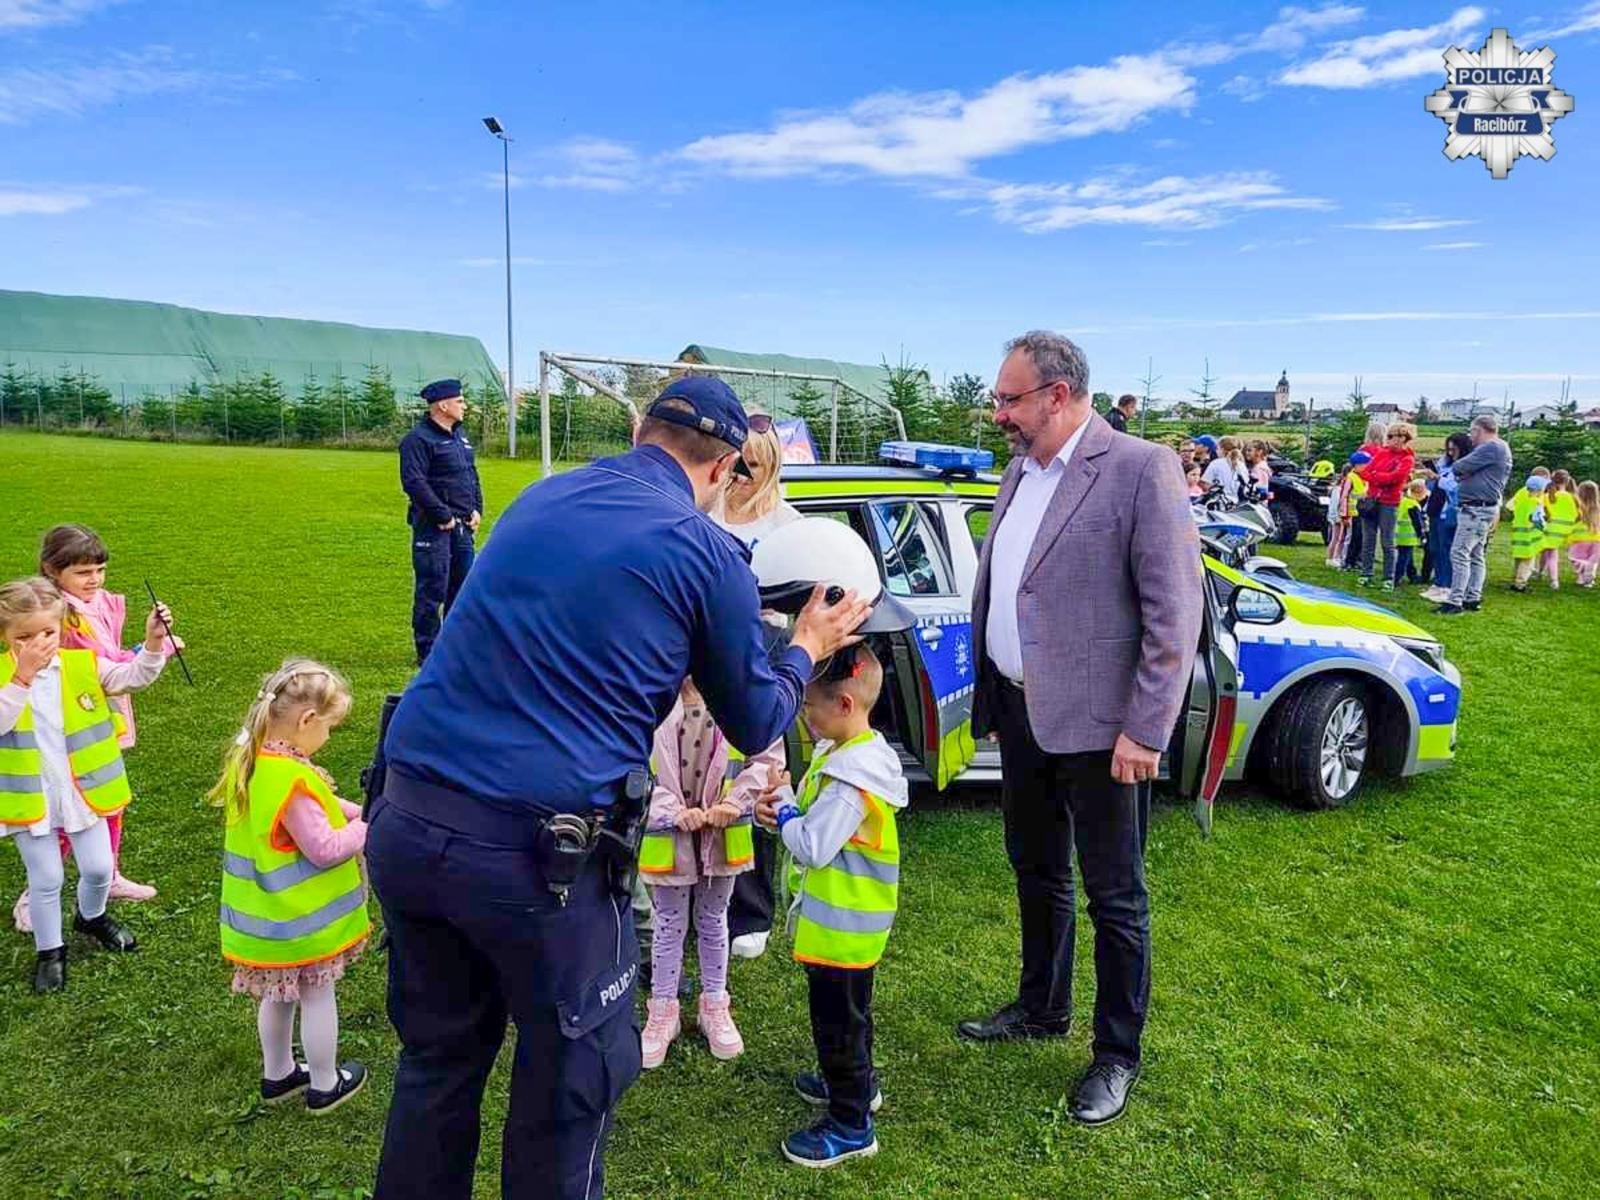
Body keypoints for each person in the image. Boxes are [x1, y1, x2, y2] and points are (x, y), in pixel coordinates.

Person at [365, 375, 869, 1200]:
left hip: (410, 815)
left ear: (640, 429)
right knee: (570, 1083)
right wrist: (806, 644)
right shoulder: (703, 549)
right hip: (535, 856)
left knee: (438, 1063)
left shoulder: (541, 498)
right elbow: (754, 719)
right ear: (728, 469)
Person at [958, 331, 1202, 1127]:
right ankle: (1041, 1006)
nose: (1000, 414)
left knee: (1115, 896)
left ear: (1058, 395)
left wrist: (1147, 728)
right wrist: (997, 696)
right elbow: (1012, 589)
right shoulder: (1020, 471)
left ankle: (1116, 1053)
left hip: (1106, 732)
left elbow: (1175, 612)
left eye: (1010, 399)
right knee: (1036, 870)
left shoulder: (1138, 469)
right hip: (1026, 717)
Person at [750, 640, 907, 1168]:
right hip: (849, 931)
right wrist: (790, 813)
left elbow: (815, 846)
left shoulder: (850, 780)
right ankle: (858, 1086)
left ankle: (851, 1123)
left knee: (838, 1024)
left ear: (844, 706)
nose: (804, 716)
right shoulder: (852, 752)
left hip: (841, 932)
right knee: (851, 1017)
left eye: (810, 706)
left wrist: (789, 813)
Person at [211, 659, 371, 1112]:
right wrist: (367, 829)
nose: (329, 737)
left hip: (265, 921)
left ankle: (278, 1073)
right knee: (318, 996)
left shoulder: (258, 762)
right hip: (301, 922)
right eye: (330, 727)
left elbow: (325, 804)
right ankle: (325, 1082)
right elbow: (324, 846)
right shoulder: (293, 781)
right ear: (306, 721)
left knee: (278, 998)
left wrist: (359, 809)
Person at [0, 577, 172, 992]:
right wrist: (21, 678)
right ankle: (50, 953)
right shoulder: (6, 676)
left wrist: (151, 645)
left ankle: (91, 916)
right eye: (24, 636)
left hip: (84, 792)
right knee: (46, 879)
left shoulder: (82, 665)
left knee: (97, 868)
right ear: (5, 636)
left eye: (48, 632)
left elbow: (132, 677)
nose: (38, 643)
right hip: (31, 798)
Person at [10, 525, 180, 935]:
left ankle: (109, 874)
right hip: (60, 738)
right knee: (66, 815)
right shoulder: (56, 619)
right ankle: (35, 896)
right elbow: (100, 665)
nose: (95, 580)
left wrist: (151, 646)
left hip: (98, 725)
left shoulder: (97, 604)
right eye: (84, 572)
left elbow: (114, 667)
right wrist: (143, 652)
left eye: (100, 569)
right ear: (53, 571)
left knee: (106, 801)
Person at [638, 676, 783, 1068]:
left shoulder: (737, 698)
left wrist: (736, 803)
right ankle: (663, 1009)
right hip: (669, 838)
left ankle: (714, 1003)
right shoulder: (651, 698)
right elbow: (632, 762)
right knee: (668, 922)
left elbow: (766, 756)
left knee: (714, 918)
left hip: (722, 836)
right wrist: (669, 811)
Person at [710, 411, 802, 962]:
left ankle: (751, 909)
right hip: (695, 664)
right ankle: (696, 894)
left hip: (758, 658)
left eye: (755, 464)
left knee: (758, 778)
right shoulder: (701, 509)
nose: (742, 473)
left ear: (770, 468)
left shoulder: (788, 525)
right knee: (697, 777)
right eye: (737, 461)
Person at [399, 379, 484, 666]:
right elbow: (414, 482)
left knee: (461, 591)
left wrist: (476, 509)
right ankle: (427, 651)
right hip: (434, 529)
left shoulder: (461, 437)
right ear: (443, 405)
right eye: (460, 401)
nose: (465, 406)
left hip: (463, 528)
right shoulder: (418, 440)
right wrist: (442, 515)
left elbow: (471, 475)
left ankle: (455, 647)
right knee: (432, 590)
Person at [1439, 413, 1514, 616]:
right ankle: (1472, 597)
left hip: (1476, 509)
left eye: (1471, 431)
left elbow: (1458, 466)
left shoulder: (1491, 447)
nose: (1470, 437)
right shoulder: (1500, 448)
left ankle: (1455, 601)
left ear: (1479, 430)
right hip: (1483, 508)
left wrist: (1465, 471)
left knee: (1460, 552)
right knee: (1475, 554)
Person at [1354, 422, 1417, 590]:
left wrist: (1377, 476)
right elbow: (1365, 472)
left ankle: (1388, 577)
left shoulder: (1407, 458)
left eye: (1394, 436)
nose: (1390, 440)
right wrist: (1380, 477)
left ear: (1404, 438)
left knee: (1387, 541)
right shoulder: (1382, 454)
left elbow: (1396, 478)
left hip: (1389, 502)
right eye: (1389, 436)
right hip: (1372, 500)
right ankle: (1366, 573)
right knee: (1368, 538)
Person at [1420, 434, 1469, 603]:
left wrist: (1438, 479)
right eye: (1448, 449)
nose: (1450, 452)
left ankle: (1447, 585)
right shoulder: (1444, 464)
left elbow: (1456, 487)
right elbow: (1433, 486)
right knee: (1435, 548)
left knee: (1446, 549)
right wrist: (1432, 478)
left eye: (1453, 449)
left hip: (1449, 511)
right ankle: (1438, 582)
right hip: (1435, 508)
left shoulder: (1464, 467)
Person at [1508, 472, 1550, 592]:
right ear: (1539, 490)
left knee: (1519, 558)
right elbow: (1537, 520)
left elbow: (1510, 507)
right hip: (1529, 536)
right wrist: (1544, 526)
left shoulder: (1522, 499)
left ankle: (1515, 579)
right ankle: (1520, 584)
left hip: (1518, 533)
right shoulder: (1536, 503)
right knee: (1528, 561)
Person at [1540, 469, 1579, 590]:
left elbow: (1544, 514)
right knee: (1548, 550)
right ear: (1567, 481)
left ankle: (1553, 580)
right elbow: (1578, 515)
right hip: (1567, 530)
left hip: (1551, 529)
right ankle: (1541, 572)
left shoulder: (1547, 496)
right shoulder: (1572, 497)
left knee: (1550, 552)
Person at [1392, 478, 1427, 586]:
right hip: (1408, 536)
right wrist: (1422, 536)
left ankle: (1412, 575)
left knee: (1408, 557)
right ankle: (1397, 578)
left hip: (1400, 535)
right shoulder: (1413, 505)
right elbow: (1417, 522)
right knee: (1404, 558)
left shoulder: (1405, 501)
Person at [1569, 480, 1600, 587]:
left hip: (1579, 539)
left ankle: (1583, 575)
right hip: (1596, 539)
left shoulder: (1578, 507)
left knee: (1577, 559)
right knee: (1592, 561)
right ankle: (1587, 580)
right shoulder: (1598, 508)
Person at [1202, 436, 1248, 504]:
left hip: (1220, 502)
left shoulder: (1216, 463)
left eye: (1217, 448)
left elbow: (1206, 484)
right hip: (1239, 503)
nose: (1216, 451)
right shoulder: (1242, 464)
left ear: (1222, 449)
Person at [1325, 463, 1353, 568]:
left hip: (1337, 515)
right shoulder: (1340, 488)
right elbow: (1337, 503)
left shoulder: (1338, 487)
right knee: (1337, 537)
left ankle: (1334, 557)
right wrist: (1339, 516)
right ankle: (1332, 557)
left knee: (1338, 537)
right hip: (1338, 515)